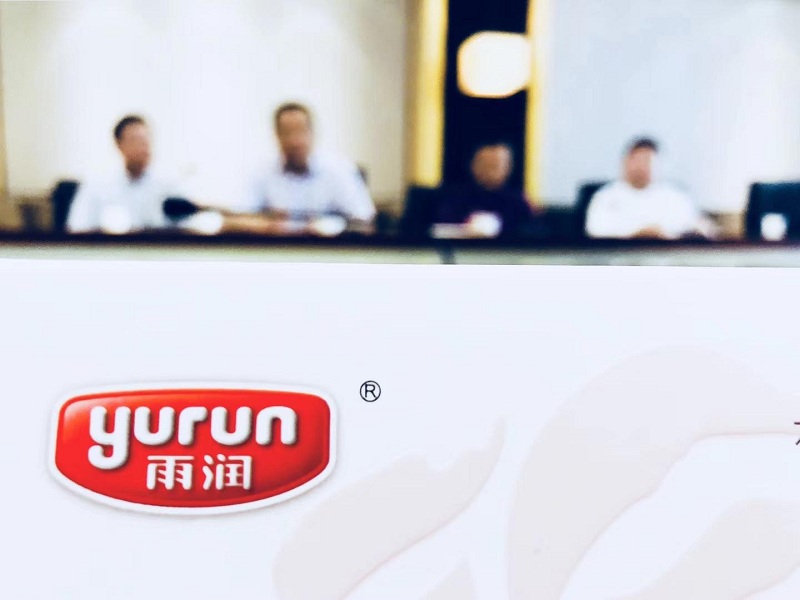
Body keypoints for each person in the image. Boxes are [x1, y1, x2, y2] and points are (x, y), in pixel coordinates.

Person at [227, 102, 375, 236]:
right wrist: (266, 226)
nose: (295, 141)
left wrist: (327, 226)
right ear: (277, 135)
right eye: (287, 132)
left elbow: (365, 221)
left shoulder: (339, 170)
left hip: (328, 252)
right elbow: (235, 219)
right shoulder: (261, 171)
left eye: (300, 131)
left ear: (312, 133)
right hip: (276, 251)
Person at [585, 138, 714, 240]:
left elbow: (700, 229)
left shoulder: (676, 197)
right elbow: (595, 233)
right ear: (625, 162)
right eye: (636, 160)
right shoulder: (605, 197)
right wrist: (639, 235)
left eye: (647, 161)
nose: (641, 167)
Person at [67, 115, 176, 234]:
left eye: (146, 140)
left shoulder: (169, 186)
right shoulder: (97, 186)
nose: (144, 147)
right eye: (136, 141)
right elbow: (77, 228)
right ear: (119, 144)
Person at [431, 142, 537, 239]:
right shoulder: (456, 198)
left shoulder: (517, 201)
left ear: (508, 168)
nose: (491, 171)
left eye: (496, 165)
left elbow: (528, 232)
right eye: (487, 165)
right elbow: (444, 227)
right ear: (474, 166)